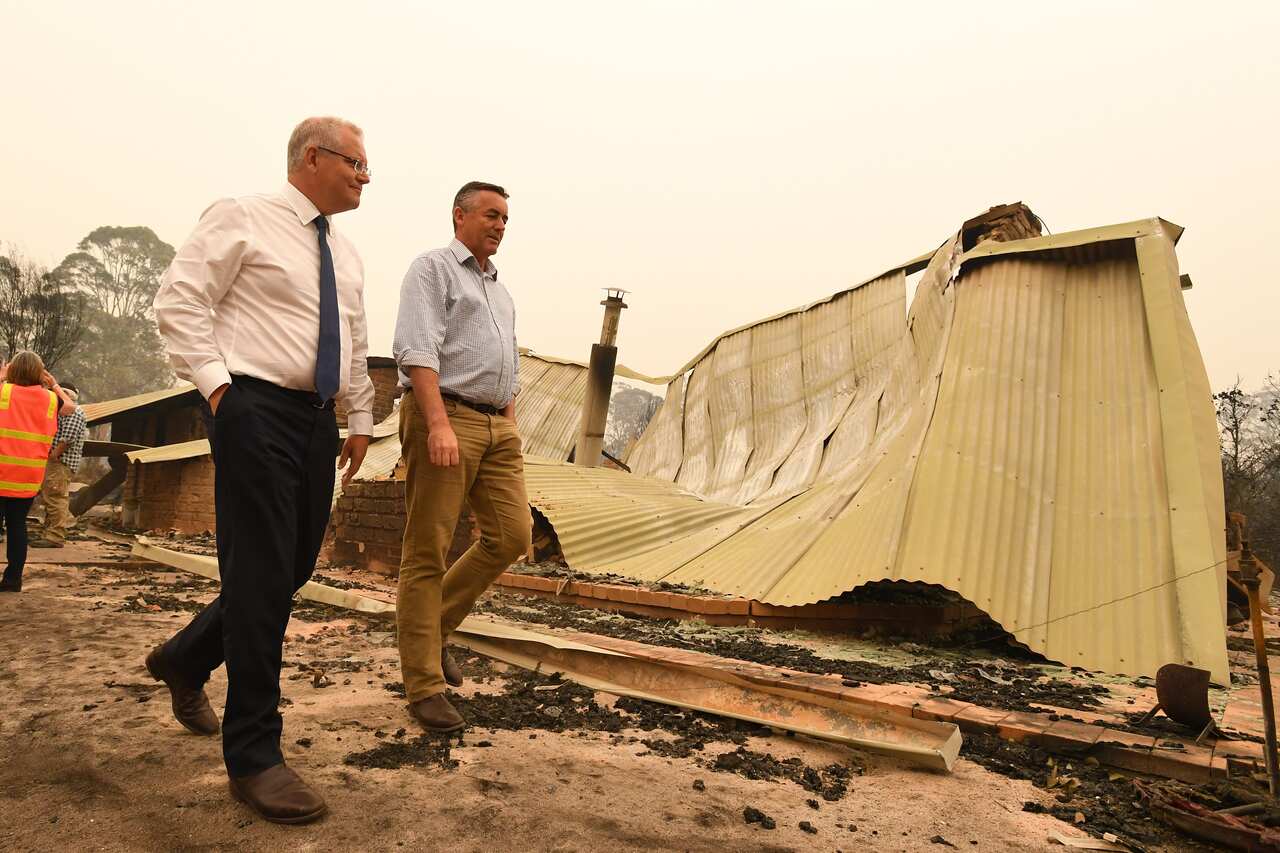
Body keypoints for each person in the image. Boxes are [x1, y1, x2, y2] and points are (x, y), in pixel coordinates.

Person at [148, 116, 375, 825]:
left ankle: (185, 656)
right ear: (313, 156)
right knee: (261, 573)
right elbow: (179, 300)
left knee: (290, 565)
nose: (366, 176)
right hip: (251, 406)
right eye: (356, 163)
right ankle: (254, 754)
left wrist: (360, 417)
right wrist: (221, 392)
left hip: (315, 420)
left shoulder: (346, 251)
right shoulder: (243, 216)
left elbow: (354, 339)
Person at [392, 181, 531, 732]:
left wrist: (511, 426)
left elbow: (509, 364)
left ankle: (434, 627)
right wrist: (438, 423)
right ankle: (422, 684)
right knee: (427, 549)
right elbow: (415, 349)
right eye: (491, 215)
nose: (500, 225)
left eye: (505, 219)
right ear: (460, 215)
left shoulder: (502, 292)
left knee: (511, 536)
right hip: (447, 416)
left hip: (498, 427)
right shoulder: (433, 269)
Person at [0, 351, 74, 592]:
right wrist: (54, 385)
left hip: (1, 472)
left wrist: (2, 376)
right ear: (39, 373)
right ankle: (13, 580)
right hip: (28, 477)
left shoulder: (4, 392)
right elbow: (70, 408)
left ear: (12, 370)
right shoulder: (50, 400)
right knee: (16, 526)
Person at [32, 381, 86, 548]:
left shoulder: (74, 411)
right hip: (56, 461)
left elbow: (67, 439)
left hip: (60, 462)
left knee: (56, 497)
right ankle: (49, 532)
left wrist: (54, 455)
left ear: (69, 395)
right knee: (50, 497)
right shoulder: (61, 411)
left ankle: (54, 537)